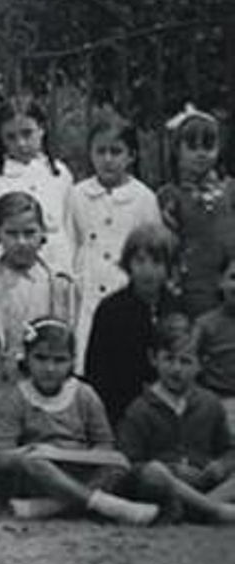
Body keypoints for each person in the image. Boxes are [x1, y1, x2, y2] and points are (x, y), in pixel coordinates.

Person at [0, 316, 157, 525]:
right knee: (33, 463)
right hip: (42, 473)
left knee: (120, 464)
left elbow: (105, 445)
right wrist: (33, 452)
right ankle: (104, 504)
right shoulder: (18, 396)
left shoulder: (84, 394)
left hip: (79, 465)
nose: (50, 368)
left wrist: (68, 455)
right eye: (41, 358)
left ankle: (53, 505)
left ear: (72, 361)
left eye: (59, 360)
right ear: (27, 358)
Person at [0, 192, 78, 429]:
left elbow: (67, 341)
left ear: (43, 233)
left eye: (29, 233)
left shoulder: (59, 284)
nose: (22, 242)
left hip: (45, 391)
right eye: (12, 234)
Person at [67, 112, 162, 370]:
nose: (107, 159)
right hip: (88, 296)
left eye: (116, 151)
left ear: (131, 155)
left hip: (126, 294)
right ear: (91, 153)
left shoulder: (143, 198)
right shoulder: (77, 195)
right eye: (100, 151)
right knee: (90, 364)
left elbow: (153, 250)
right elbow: (70, 242)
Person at [118, 316, 235, 523]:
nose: (177, 369)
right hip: (165, 486)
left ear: (201, 364)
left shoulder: (210, 403)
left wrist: (220, 467)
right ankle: (213, 511)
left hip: (204, 484)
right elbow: (130, 463)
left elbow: (228, 449)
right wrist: (171, 469)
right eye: (169, 359)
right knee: (153, 473)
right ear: (154, 359)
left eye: (186, 361)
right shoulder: (140, 408)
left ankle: (197, 508)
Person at [85, 224, 186, 425]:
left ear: (170, 268)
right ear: (128, 264)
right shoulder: (111, 309)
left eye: (157, 262)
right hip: (120, 408)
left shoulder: (178, 307)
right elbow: (97, 369)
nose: (147, 270)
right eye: (140, 261)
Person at [0, 96, 74, 276]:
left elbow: (70, 228)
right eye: (11, 137)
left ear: (41, 129)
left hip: (56, 269)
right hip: (7, 275)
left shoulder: (60, 174)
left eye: (27, 133)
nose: (21, 143)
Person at [156, 104, 235, 318]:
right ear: (177, 150)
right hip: (190, 288)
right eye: (192, 146)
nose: (201, 153)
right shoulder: (170, 195)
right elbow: (167, 245)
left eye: (208, 146)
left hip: (228, 283)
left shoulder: (230, 190)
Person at [195, 246, 235, 432]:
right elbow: (189, 359)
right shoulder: (205, 324)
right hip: (218, 400)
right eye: (233, 278)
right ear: (220, 281)